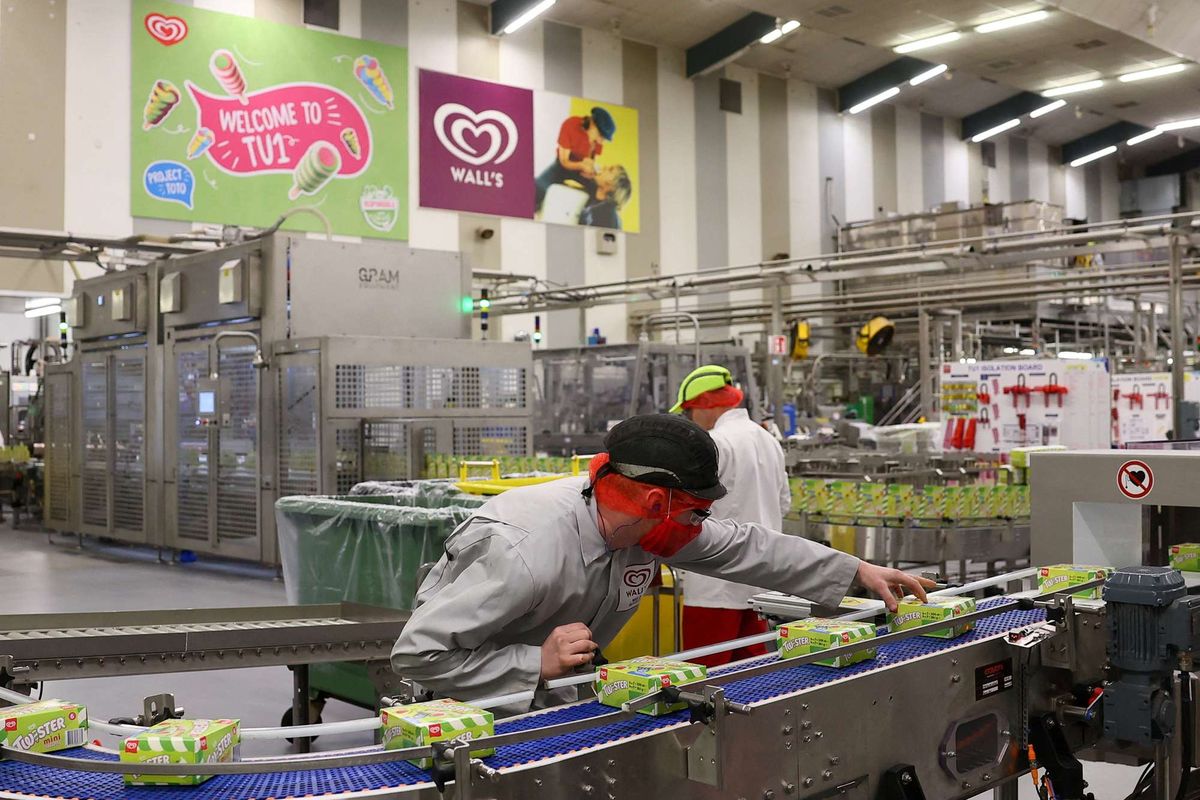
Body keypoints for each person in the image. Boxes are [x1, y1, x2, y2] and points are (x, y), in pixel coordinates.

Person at [391, 414, 931, 714]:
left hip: (553, 709)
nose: (704, 523)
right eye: (698, 511)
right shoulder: (524, 552)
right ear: (655, 504)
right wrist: (534, 663)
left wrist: (856, 571)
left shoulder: (639, 529)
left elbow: (743, 546)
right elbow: (418, 655)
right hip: (470, 721)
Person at [668, 365, 787, 667]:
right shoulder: (768, 441)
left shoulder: (715, 444)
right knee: (752, 676)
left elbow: (687, 511)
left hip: (714, 584)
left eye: (690, 410)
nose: (690, 419)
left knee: (706, 678)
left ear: (707, 403)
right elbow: (783, 503)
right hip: (760, 577)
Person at [535, 106, 615, 212]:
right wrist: (581, 165)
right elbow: (564, 161)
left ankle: (586, 215)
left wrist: (590, 172)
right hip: (561, 167)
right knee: (538, 187)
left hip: (580, 171)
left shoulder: (598, 141)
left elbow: (591, 159)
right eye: (601, 135)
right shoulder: (570, 125)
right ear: (592, 124)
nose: (601, 141)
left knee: (599, 193)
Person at [579, 164, 632, 230]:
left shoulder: (607, 217)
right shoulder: (594, 193)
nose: (604, 167)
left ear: (613, 186)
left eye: (610, 170)